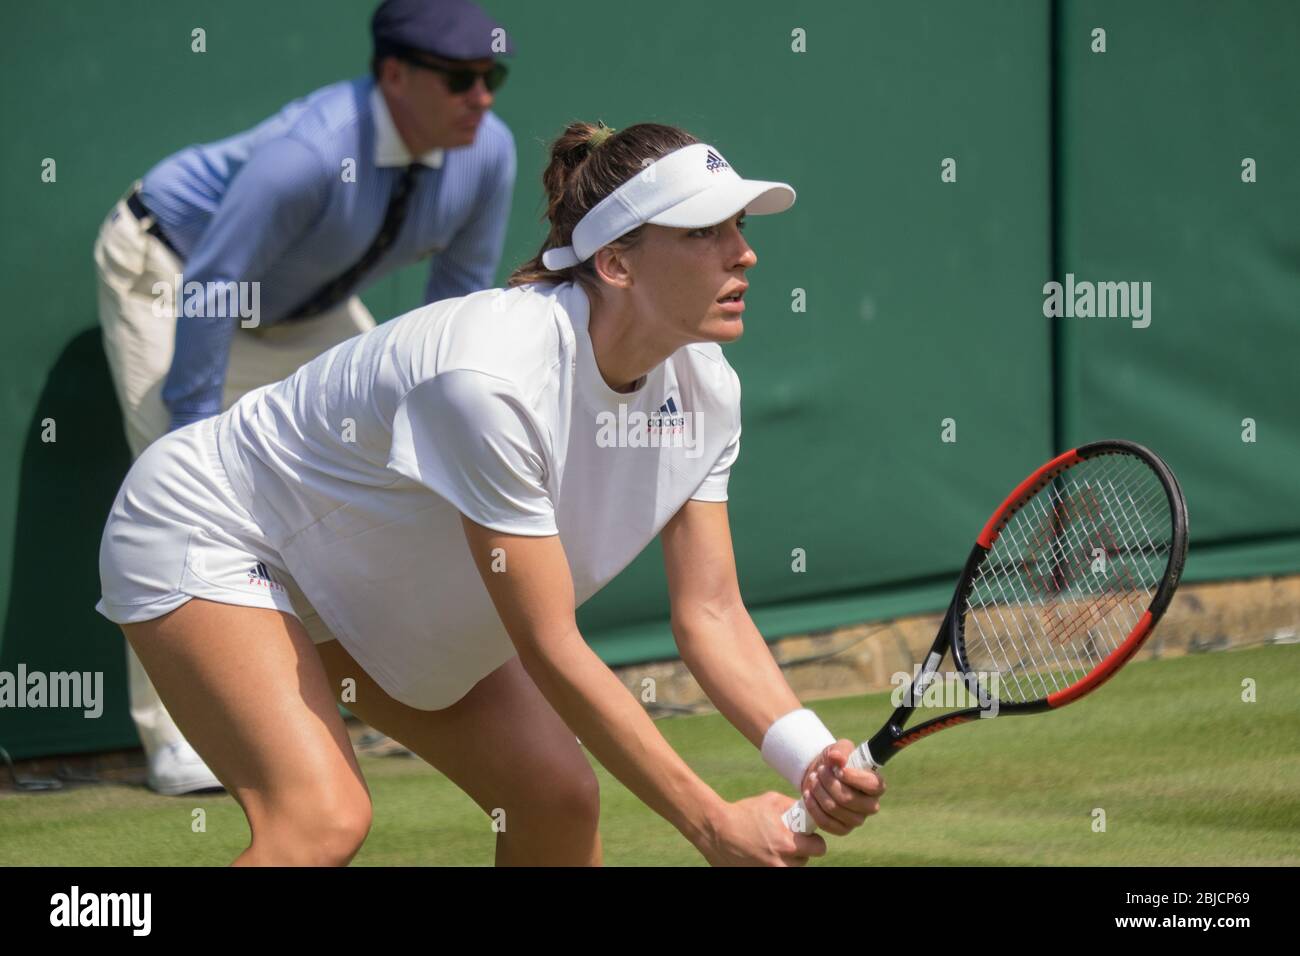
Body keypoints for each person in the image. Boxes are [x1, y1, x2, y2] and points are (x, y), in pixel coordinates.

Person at [95, 120, 886, 865]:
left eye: (742, 228)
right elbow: (549, 645)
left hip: (359, 578)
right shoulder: (491, 380)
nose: (742, 255)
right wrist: (710, 822)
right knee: (319, 818)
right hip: (214, 525)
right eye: (705, 233)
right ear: (616, 263)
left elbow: (711, 614)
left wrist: (810, 754)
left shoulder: (706, 390)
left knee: (554, 798)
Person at [91, 0, 516, 794]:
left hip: (306, 312)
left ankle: (372, 693)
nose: (482, 98)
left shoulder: (487, 154)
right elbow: (216, 281)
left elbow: (451, 306)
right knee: (176, 498)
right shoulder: (309, 155)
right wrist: (193, 436)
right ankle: (180, 741)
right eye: (460, 79)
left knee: (391, 466)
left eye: (492, 77)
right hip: (176, 275)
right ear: (394, 74)